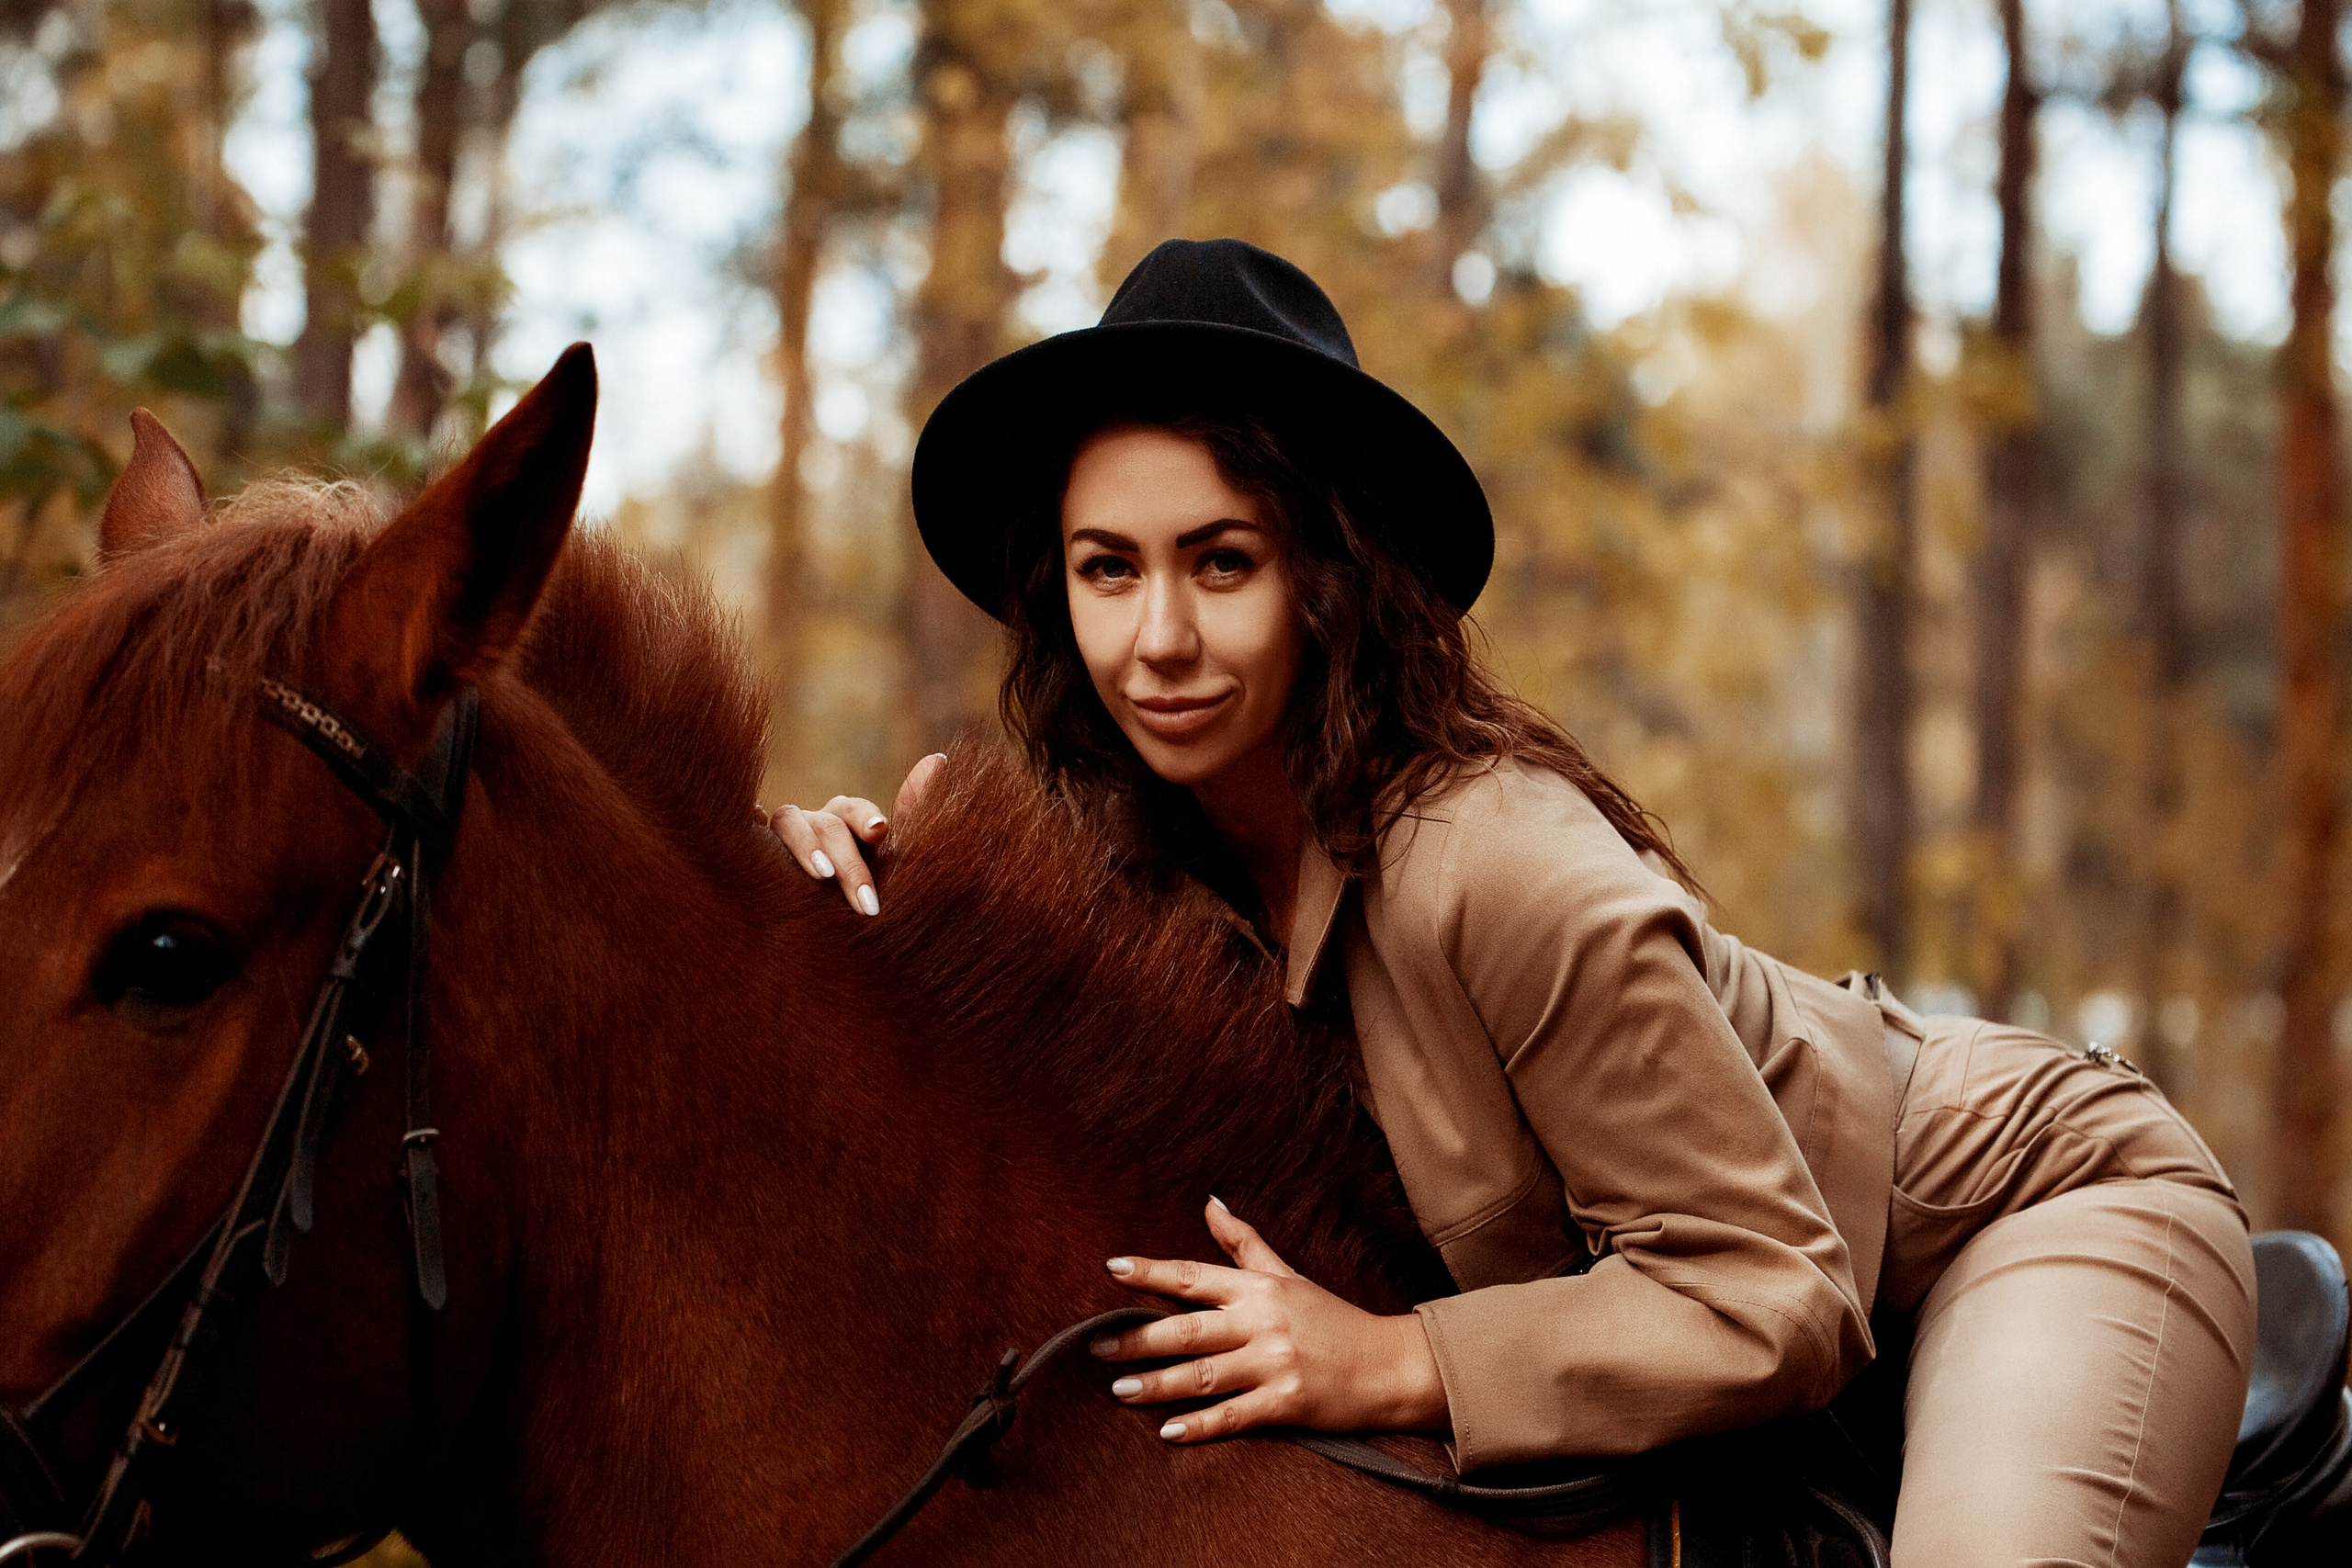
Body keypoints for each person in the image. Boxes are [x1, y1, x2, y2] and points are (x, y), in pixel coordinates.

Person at [762, 238, 2256, 1566]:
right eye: (1108, 569)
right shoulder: (1123, 866)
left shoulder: (1497, 864)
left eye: (1223, 563)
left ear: (1328, 576)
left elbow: (1772, 1291)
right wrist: (815, 864)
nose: (1158, 637)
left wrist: (1388, 1362)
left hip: (2021, 1213)